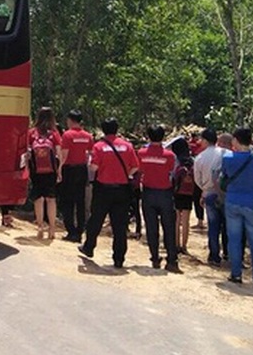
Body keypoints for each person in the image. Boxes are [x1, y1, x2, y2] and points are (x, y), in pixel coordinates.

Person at [79, 118, 139, 268]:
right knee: (119, 225)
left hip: (103, 189)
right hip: (122, 189)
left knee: (96, 219)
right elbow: (135, 167)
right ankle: (119, 259)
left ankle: (89, 247)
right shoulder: (127, 146)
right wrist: (126, 175)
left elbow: (93, 168)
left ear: (103, 129)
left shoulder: (99, 146)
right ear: (117, 129)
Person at [222, 127, 253, 287]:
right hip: (252, 203)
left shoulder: (228, 158)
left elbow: (225, 174)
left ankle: (236, 274)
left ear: (235, 140)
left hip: (233, 201)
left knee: (234, 239)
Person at [138, 125, 179, 272]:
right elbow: (172, 171)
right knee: (169, 227)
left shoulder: (141, 153)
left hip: (148, 193)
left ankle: (155, 258)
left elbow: (139, 170)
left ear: (148, 136)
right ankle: (172, 260)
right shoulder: (169, 155)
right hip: (165, 193)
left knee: (151, 227)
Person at [58, 110, 93, 242]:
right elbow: (90, 153)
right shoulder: (88, 136)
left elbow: (64, 154)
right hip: (82, 169)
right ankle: (79, 231)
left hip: (69, 169)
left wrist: (60, 168)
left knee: (67, 201)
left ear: (71, 120)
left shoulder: (67, 135)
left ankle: (71, 230)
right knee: (80, 201)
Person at [26, 107, 61, 239]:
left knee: (38, 199)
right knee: (51, 199)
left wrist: (28, 170)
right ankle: (52, 229)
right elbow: (58, 153)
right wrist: (59, 170)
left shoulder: (32, 133)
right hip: (51, 170)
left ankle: (40, 227)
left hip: (36, 170)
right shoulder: (54, 133)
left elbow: (28, 152)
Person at [193, 128, 226, 264]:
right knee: (227, 225)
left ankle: (214, 255)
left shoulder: (200, 157)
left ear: (205, 141)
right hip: (225, 194)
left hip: (209, 194)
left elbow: (197, 179)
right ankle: (229, 253)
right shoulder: (226, 153)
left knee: (213, 226)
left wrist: (205, 189)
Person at [171, 138, 195, 254]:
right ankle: (184, 246)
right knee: (186, 220)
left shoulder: (175, 160)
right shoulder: (192, 161)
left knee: (176, 220)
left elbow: (172, 176)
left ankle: (176, 244)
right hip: (188, 193)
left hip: (176, 192)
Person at [188, 131, 205, 229]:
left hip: (197, 176)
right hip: (202, 175)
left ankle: (200, 221)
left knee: (197, 198)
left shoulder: (193, 145)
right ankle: (200, 221)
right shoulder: (200, 145)